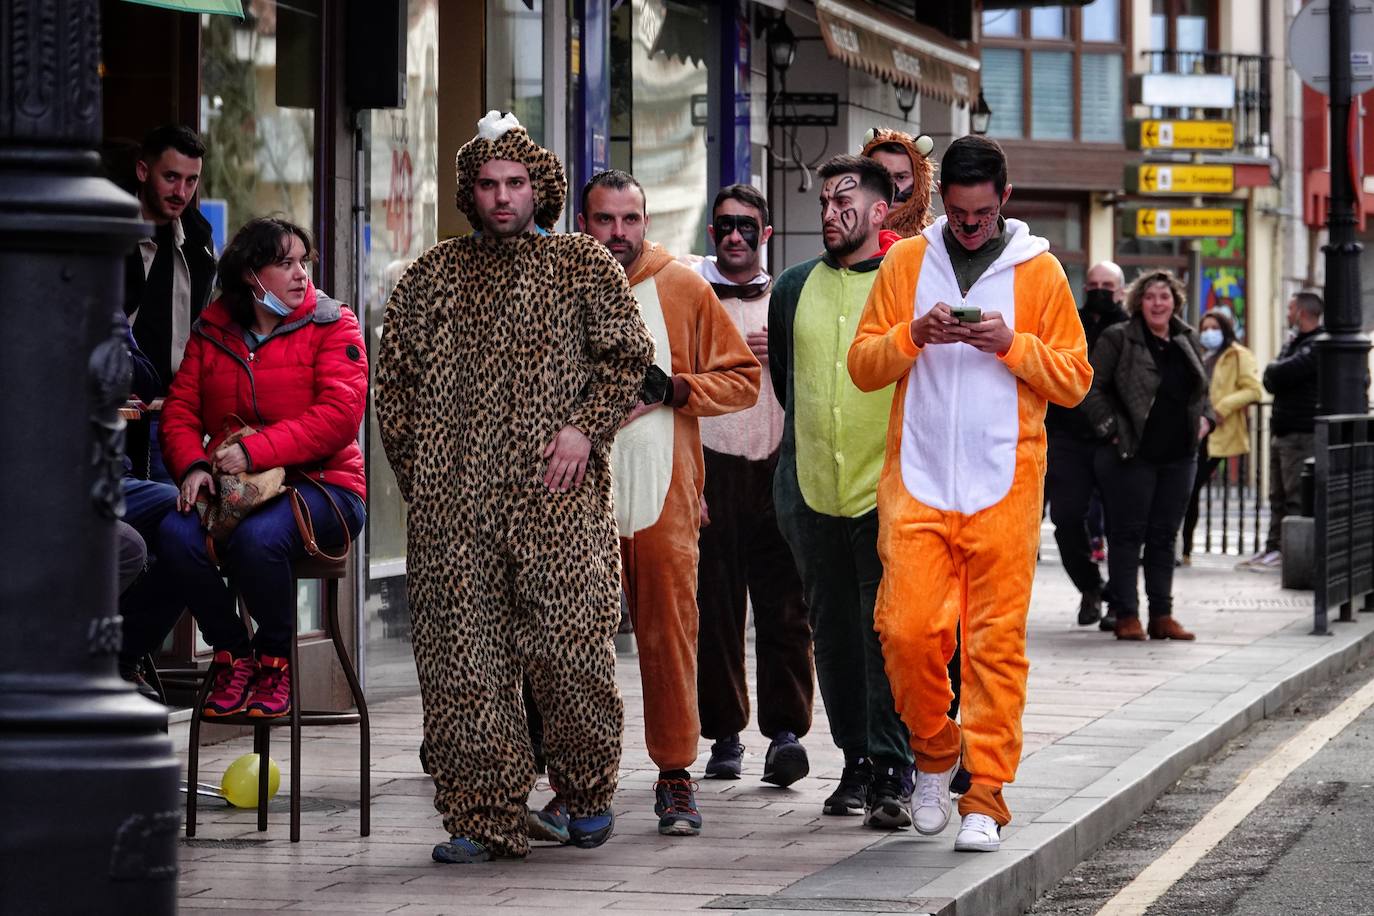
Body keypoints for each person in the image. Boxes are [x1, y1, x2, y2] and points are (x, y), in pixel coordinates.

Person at [376, 112, 654, 864]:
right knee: (463, 663)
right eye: (488, 185)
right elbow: (392, 389)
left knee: (570, 651)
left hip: (555, 501)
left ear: (541, 188)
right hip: (451, 514)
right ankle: (481, 816)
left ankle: (587, 789)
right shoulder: (430, 277)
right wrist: (428, 478)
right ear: (469, 193)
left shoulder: (580, 264)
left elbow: (628, 358)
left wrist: (584, 428)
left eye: (516, 183)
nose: (502, 197)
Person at [848, 135, 1092, 852]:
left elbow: (1075, 381)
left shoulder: (1040, 272)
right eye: (957, 212)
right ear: (942, 202)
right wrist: (913, 336)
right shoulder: (904, 261)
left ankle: (985, 793)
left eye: (981, 213)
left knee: (994, 647)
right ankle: (932, 750)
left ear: (1005, 200)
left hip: (1004, 485)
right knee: (905, 630)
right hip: (917, 481)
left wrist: (1011, 345)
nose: (969, 225)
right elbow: (864, 366)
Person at [576, 169, 759, 835]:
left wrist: (674, 389)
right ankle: (578, 782)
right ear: (583, 221)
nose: (619, 233)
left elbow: (743, 379)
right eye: (604, 219)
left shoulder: (681, 285)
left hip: (663, 497)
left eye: (630, 219)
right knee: (570, 645)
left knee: (669, 639)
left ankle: (677, 775)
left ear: (646, 222)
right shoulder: (561, 288)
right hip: (572, 500)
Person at [151, 217, 366, 726]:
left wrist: (256, 452)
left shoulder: (334, 323)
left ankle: (275, 663)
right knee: (174, 534)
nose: (300, 275)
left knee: (257, 541)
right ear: (251, 274)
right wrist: (194, 467)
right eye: (285, 263)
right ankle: (233, 656)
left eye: (304, 263)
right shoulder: (213, 328)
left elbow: (340, 416)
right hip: (232, 488)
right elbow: (180, 411)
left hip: (324, 487)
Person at [769, 154, 916, 830]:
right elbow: (784, 378)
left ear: (880, 212)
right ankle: (855, 759)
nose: (830, 214)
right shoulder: (793, 287)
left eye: (845, 202)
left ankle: (894, 764)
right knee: (830, 635)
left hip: (885, 491)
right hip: (811, 491)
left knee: (884, 632)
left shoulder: (905, 281)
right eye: (825, 201)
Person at [682, 184, 814, 789]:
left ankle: (786, 733)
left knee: (786, 609)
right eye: (725, 226)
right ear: (713, 234)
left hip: (779, 464)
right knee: (715, 608)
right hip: (710, 464)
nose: (734, 235)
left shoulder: (792, 296)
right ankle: (724, 736)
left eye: (746, 226)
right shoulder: (691, 296)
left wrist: (780, 351)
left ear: (766, 234)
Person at [1082, 270, 1213, 643]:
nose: (1158, 303)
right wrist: (1110, 429)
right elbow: (1090, 388)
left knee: (1164, 536)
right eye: (1151, 297)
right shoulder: (1119, 337)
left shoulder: (1187, 339)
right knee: (1126, 536)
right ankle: (1127, 615)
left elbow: (1203, 391)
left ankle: (1162, 615)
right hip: (1132, 455)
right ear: (1138, 301)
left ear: (1175, 302)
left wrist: (1207, 419)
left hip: (1180, 455)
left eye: (1165, 297)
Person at [123, 125, 216, 482]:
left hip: (173, 412)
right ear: (143, 171)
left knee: (173, 516)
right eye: (172, 177)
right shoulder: (111, 232)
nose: (182, 192)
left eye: (191, 181)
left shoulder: (198, 240)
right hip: (116, 409)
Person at [1044, 262, 1129, 628]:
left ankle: (1121, 604)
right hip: (1067, 436)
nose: (1098, 290)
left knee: (1122, 524)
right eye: (1092, 283)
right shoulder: (1071, 320)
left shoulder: (1132, 328)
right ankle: (1092, 587)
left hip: (1114, 438)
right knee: (1065, 518)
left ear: (1121, 290)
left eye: (1107, 285)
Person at [1241, 292, 1324, 570]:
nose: (1287, 312)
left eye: (1290, 307)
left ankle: (1288, 552)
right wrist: (1276, 372)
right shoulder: (1294, 343)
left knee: (1294, 496)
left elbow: (1282, 373)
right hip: (1284, 429)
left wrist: (1277, 372)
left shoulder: (1318, 345)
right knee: (1276, 495)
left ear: (1301, 312)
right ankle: (1272, 547)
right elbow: (1272, 377)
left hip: (1301, 432)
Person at [1181, 308, 1261, 564]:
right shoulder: (1199, 354)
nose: (1208, 333)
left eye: (1214, 328)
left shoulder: (1239, 355)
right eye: (1205, 328)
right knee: (1187, 491)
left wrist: (1222, 408)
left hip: (1219, 431)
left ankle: (1185, 547)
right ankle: (1184, 548)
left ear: (1225, 330)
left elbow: (1253, 390)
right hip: (1194, 429)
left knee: (1192, 487)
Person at [859, 127, 936, 238]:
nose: (890, 188)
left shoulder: (934, 246)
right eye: (880, 176)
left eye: (900, 177)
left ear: (920, 182)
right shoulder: (845, 246)